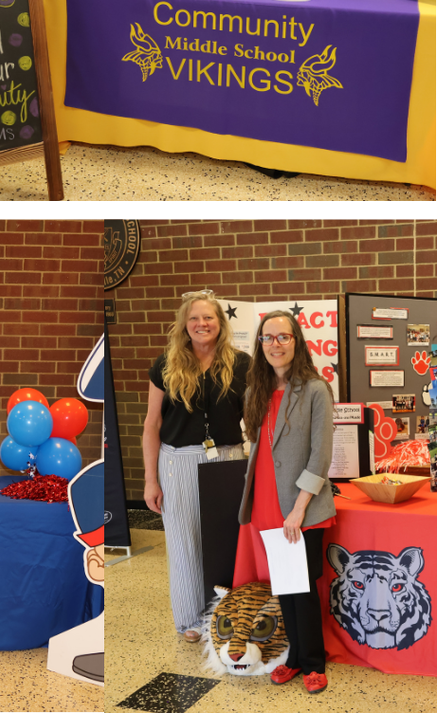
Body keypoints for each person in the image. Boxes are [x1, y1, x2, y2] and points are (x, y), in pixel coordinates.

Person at [142, 290, 250, 642]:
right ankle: (191, 619)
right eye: (194, 318)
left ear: (220, 323)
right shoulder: (165, 365)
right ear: (184, 325)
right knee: (183, 542)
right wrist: (150, 480)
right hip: (178, 461)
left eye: (209, 318)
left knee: (227, 541)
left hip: (229, 458)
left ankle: (230, 614)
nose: (202, 324)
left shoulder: (243, 364)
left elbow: (256, 418)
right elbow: (151, 424)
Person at [238, 311, 335, 695]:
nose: (275, 344)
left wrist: (298, 507)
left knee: (304, 587)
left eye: (283, 337)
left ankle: (313, 662)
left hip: (302, 505)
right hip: (265, 502)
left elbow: (320, 455)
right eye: (267, 338)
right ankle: (295, 657)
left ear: (297, 341)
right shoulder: (255, 390)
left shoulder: (315, 388)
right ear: (259, 345)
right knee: (284, 584)